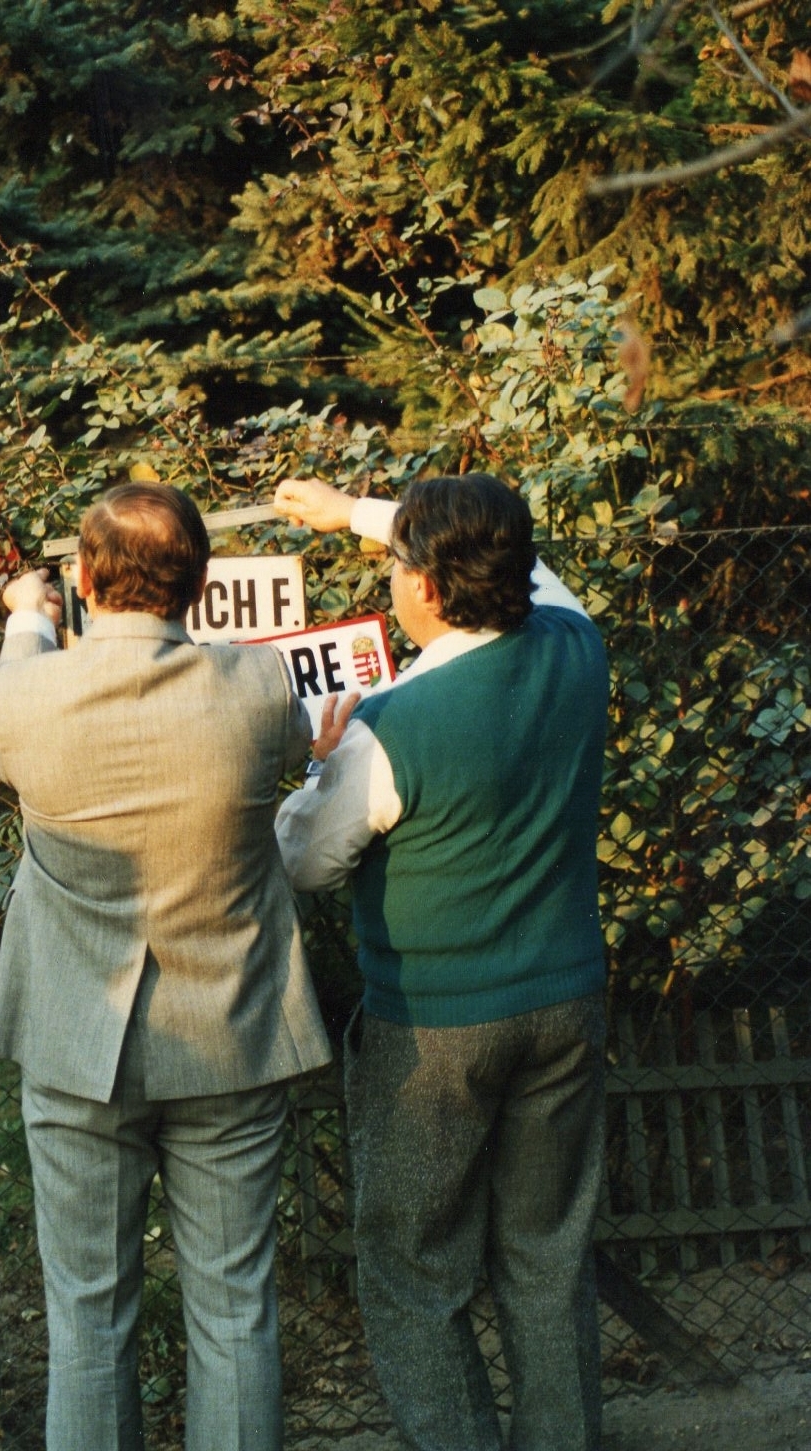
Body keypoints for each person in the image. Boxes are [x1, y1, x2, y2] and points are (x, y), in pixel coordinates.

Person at [0, 481, 334, 1451]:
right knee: (235, 1314)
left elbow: (17, 699)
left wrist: (26, 616)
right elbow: (303, 745)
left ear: (87, 578)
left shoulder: (22, 691)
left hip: (72, 1038)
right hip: (228, 1035)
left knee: (87, 1324)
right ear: (201, 582)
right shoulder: (258, 686)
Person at [272, 474, 609, 1451]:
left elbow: (304, 860)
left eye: (392, 560)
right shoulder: (572, 642)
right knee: (546, 1256)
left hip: (431, 1027)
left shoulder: (392, 720)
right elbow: (532, 566)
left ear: (422, 583)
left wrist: (314, 767)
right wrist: (356, 512)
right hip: (565, 1000)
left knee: (412, 1268)